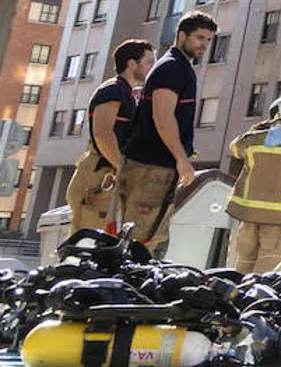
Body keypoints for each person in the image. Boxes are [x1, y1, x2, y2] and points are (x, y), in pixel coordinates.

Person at [117, 13, 218, 253]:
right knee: (142, 241)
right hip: (151, 167)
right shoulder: (173, 68)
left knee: (149, 240)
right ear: (182, 35)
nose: (204, 44)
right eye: (199, 37)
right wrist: (182, 159)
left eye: (209, 39)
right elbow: (163, 116)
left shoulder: (175, 67)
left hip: (153, 166)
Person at [65, 38, 152, 233]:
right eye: (148, 62)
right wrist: (123, 167)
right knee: (86, 245)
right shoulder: (112, 90)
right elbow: (102, 133)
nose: (151, 68)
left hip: (109, 177)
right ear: (132, 64)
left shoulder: (126, 92)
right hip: (98, 176)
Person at [225, 94, 281, 275]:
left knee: (241, 267)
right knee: (265, 274)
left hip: (249, 216)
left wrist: (261, 126)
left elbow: (235, 147)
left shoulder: (254, 140)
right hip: (280, 219)